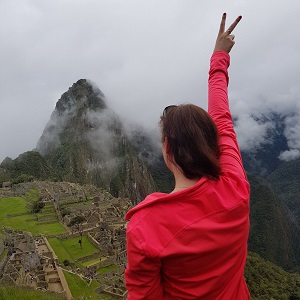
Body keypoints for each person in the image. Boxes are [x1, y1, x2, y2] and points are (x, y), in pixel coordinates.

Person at [124, 13, 250, 299]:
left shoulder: (147, 226)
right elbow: (222, 117)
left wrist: (218, 56)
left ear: (167, 148)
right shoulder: (235, 188)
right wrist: (219, 58)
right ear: (212, 143)